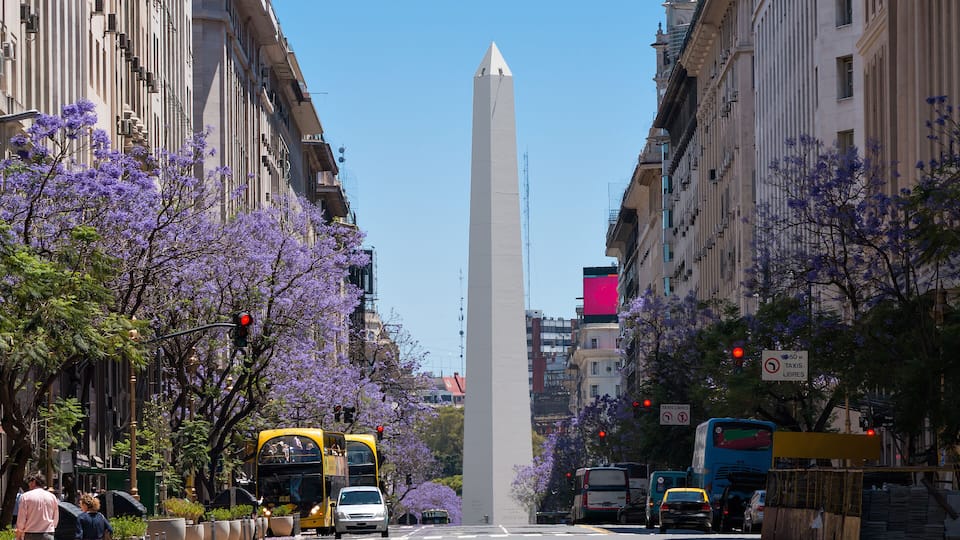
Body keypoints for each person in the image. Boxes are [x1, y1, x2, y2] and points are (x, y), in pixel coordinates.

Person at [15, 471, 59, 540]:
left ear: (34, 482)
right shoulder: (52, 497)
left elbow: (21, 519)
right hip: (48, 533)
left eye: (29, 482)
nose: (29, 484)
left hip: (31, 533)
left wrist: (19, 534)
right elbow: (55, 518)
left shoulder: (25, 497)